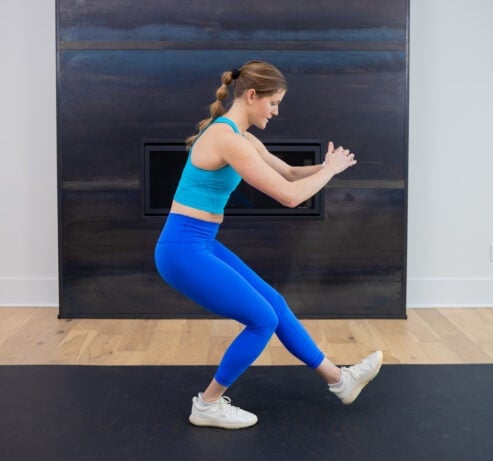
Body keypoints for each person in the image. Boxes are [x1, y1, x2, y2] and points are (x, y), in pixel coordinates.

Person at [154, 60, 383, 429]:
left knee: (274, 303)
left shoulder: (242, 137)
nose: (275, 111)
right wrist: (328, 173)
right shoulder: (226, 139)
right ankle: (208, 404)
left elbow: (290, 173)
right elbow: (290, 196)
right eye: (273, 103)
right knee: (262, 319)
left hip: (201, 242)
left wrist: (328, 165)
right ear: (250, 96)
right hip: (182, 249)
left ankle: (341, 382)